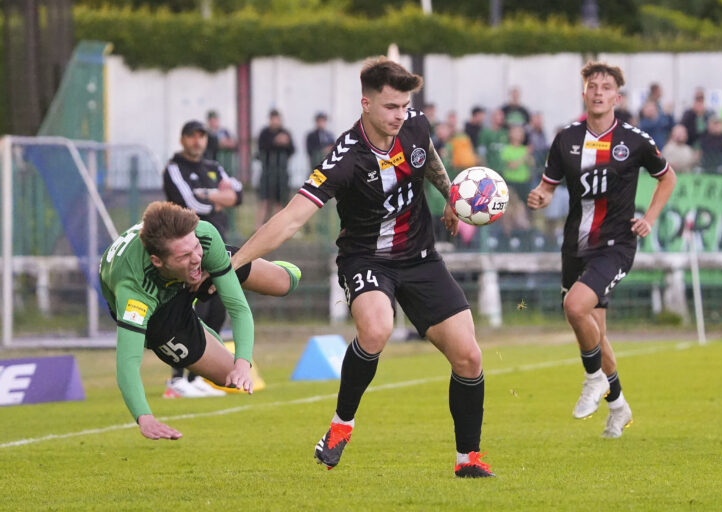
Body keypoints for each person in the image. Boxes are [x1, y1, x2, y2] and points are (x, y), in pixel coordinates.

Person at [230, 57, 495, 478]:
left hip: (420, 257)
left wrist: (452, 196)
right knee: (376, 328)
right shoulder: (345, 159)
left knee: (469, 356)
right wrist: (235, 263)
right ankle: (341, 426)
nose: (400, 115)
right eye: (390, 107)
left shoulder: (415, 125)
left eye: (404, 106)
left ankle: (469, 460)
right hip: (366, 258)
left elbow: (427, 157)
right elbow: (291, 218)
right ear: (366, 104)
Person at [527, 61, 677, 439]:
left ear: (617, 97)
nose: (598, 92)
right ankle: (619, 406)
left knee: (574, 307)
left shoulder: (635, 140)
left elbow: (667, 178)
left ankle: (593, 378)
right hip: (575, 246)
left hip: (616, 245)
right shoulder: (565, 139)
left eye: (606, 87)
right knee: (597, 333)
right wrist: (541, 196)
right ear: (584, 94)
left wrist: (650, 218)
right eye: (592, 86)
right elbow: (548, 186)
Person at [99, 201, 301, 439]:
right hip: (160, 314)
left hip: (184, 275)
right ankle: (193, 316)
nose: (196, 258)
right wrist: (145, 418)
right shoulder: (134, 292)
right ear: (157, 261)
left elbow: (238, 308)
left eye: (195, 247)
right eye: (185, 255)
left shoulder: (203, 238)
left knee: (282, 283)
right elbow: (127, 365)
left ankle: (202, 288)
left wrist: (243, 362)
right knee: (228, 376)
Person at [162, 120, 245, 398]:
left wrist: (211, 195)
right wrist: (220, 198)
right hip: (188, 249)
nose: (197, 141)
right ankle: (176, 380)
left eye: (201, 136)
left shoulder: (213, 167)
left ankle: (197, 377)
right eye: (192, 136)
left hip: (216, 247)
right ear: (182, 139)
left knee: (216, 310)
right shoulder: (174, 168)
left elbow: (238, 193)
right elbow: (192, 205)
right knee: (189, 311)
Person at [255, 109, 295, 226]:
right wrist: (276, 141)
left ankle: (277, 227)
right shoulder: (264, 133)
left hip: (281, 173)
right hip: (267, 172)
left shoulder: (285, 132)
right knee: (264, 201)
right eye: (273, 119)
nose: (275, 121)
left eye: (277, 119)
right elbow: (261, 148)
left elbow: (292, 149)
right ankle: (258, 227)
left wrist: (286, 142)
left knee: (280, 202)